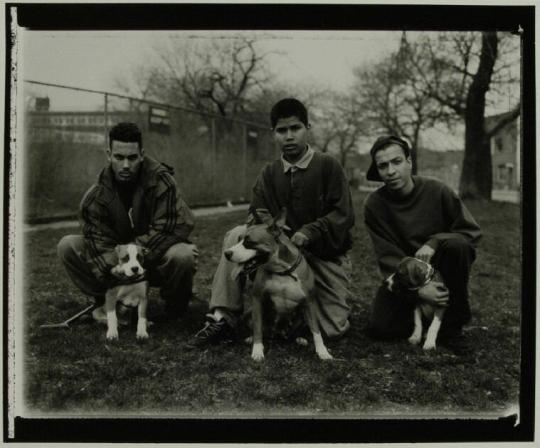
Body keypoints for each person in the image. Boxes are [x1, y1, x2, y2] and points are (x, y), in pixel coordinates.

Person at [187, 98, 355, 347]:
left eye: (295, 128)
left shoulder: (328, 165)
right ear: (273, 133)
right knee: (237, 235)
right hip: (280, 251)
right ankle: (222, 317)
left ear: (308, 127)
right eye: (282, 130)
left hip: (322, 255)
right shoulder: (269, 172)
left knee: (332, 330)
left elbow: (343, 214)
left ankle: (301, 312)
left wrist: (309, 231)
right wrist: (273, 230)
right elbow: (256, 211)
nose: (289, 136)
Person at [57, 122, 198, 321]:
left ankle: (175, 308)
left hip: (153, 260)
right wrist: (116, 272)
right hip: (118, 263)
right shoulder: (95, 196)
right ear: (108, 155)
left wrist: (133, 254)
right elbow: (99, 245)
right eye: (118, 157)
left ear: (141, 154)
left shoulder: (162, 182)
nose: (125, 165)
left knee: (183, 254)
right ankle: (108, 302)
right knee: (68, 245)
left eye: (132, 158)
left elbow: (171, 227)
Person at [363, 135, 482, 344]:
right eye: (383, 166)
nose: (391, 171)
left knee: (458, 246)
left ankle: (451, 325)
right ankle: (421, 316)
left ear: (409, 162)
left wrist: (435, 241)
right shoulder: (374, 204)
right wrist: (418, 291)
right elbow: (387, 256)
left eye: (397, 162)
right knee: (380, 329)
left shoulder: (437, 190)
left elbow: (470, 232)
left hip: (440, 272)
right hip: (402, 276)